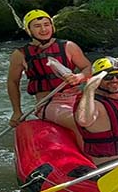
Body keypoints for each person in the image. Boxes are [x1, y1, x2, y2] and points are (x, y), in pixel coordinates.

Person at [6, 9, 90, 142]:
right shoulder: (20, 55)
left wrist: (79, 77)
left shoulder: (69, 47)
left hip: (77, 97)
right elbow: (12, 82)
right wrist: (17, 111)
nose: (44, 29)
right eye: (37, 26)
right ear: (29, 30)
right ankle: (93, 158)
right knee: (81, 121)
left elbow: (88, 68)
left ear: (52, 26)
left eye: (47, 24)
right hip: (49, 103)